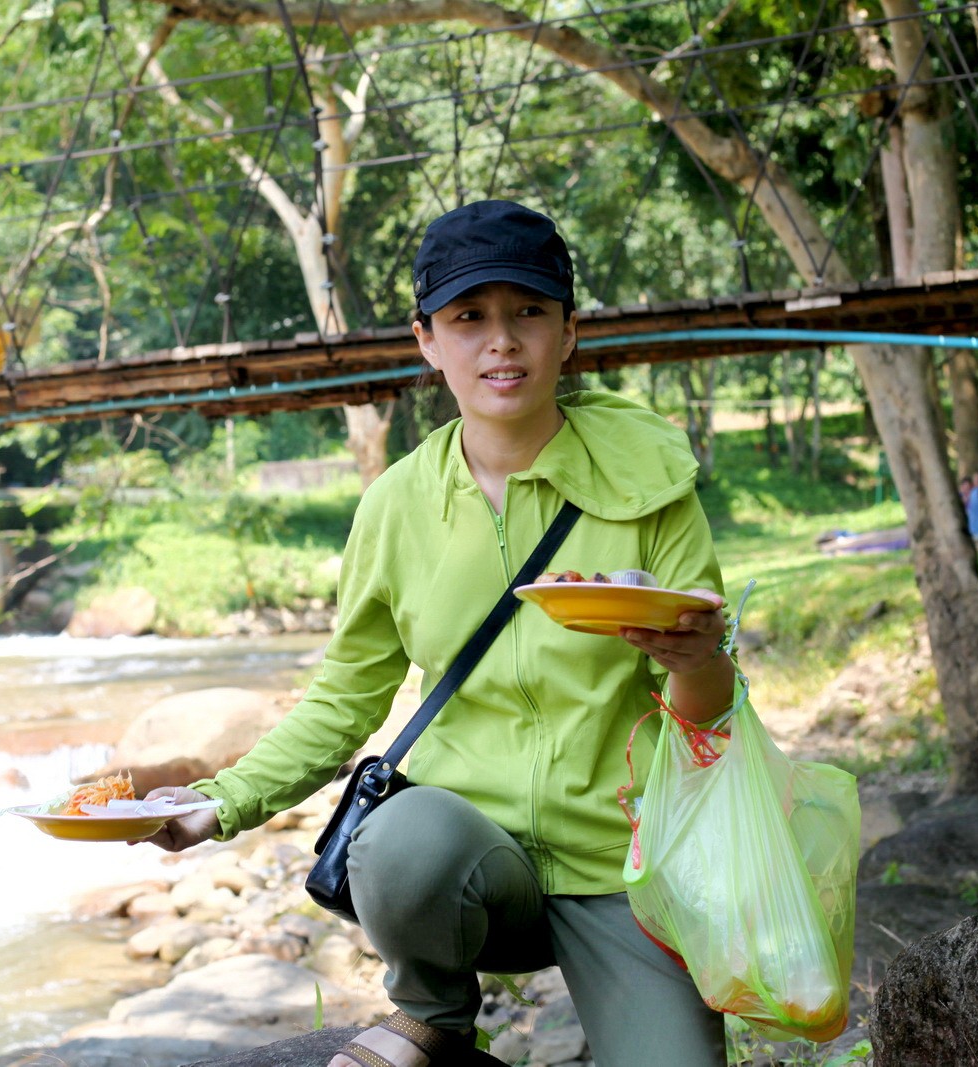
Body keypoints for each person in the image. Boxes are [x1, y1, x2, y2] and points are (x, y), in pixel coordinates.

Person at [141, 200, 735, 1066]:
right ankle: (432, 1013)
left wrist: (698, 659)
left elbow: (711, 712)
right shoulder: (396, 506)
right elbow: (346, 699)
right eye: (470, 318)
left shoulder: (649, 481)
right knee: (401, 837)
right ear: (428, 340)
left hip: (627, 860)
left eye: (529, 311)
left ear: (569, 332)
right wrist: (220, 802)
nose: (502, 341)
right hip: (469, 863)